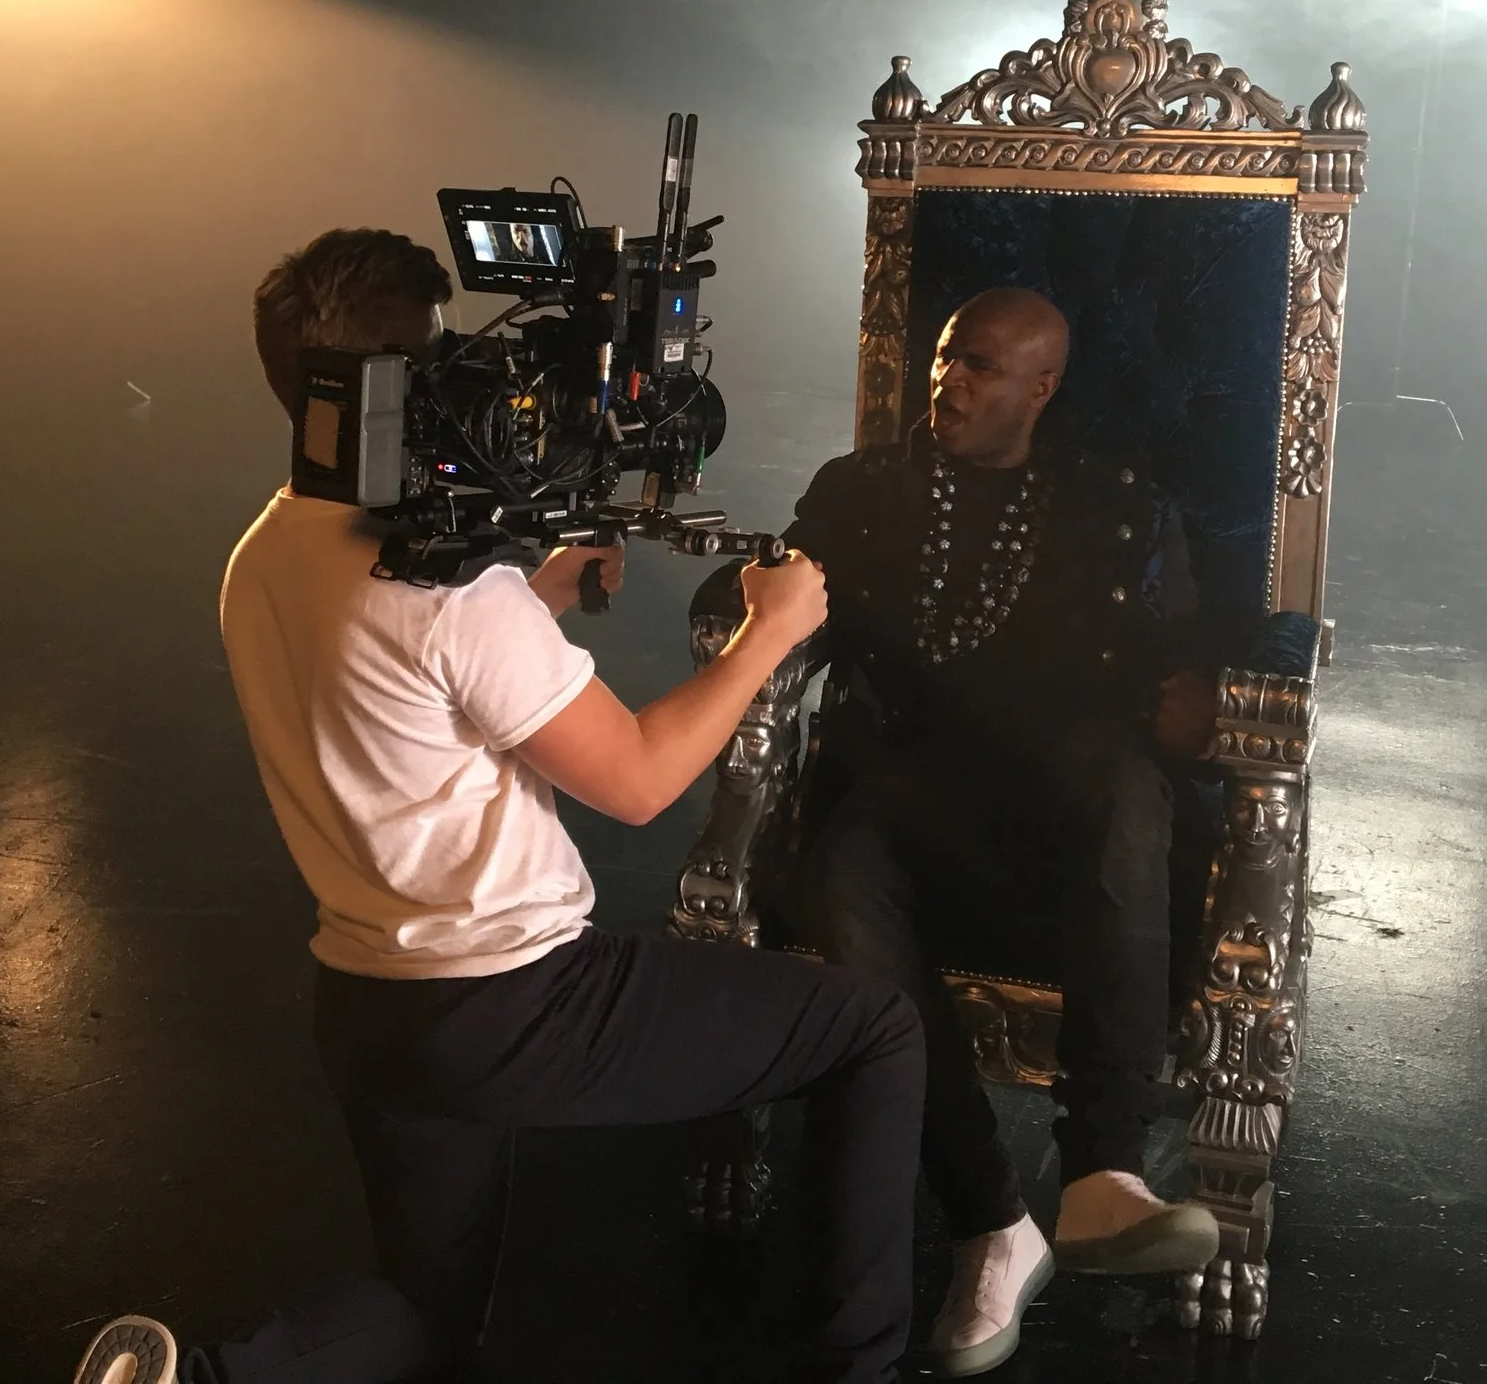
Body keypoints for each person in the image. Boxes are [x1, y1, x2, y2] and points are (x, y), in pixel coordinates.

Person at [74, 227, 924, 1384]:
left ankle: (211, 1376)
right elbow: (634, 781)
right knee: (873, 1030)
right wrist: (770, 632)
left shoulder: (266, 548)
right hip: (513, 1004)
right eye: (438, 358)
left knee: (429, 1319)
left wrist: (531, 590)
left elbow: (397, 681)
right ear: (392, 381)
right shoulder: (451, 594)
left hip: (368, 999)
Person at [787, 287, 1243, 1378]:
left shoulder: (1115, 507)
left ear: (1041, 387)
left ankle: (1102, 1176)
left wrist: (1204, 702)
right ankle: (992, 1216)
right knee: (841, 869)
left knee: (1129, 790)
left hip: (1063, 783)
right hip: (913, 777)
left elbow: (1183, 642)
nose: (952, 381)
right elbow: (781, 581)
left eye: (985, 367)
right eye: (949, 357)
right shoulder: (865, 490)